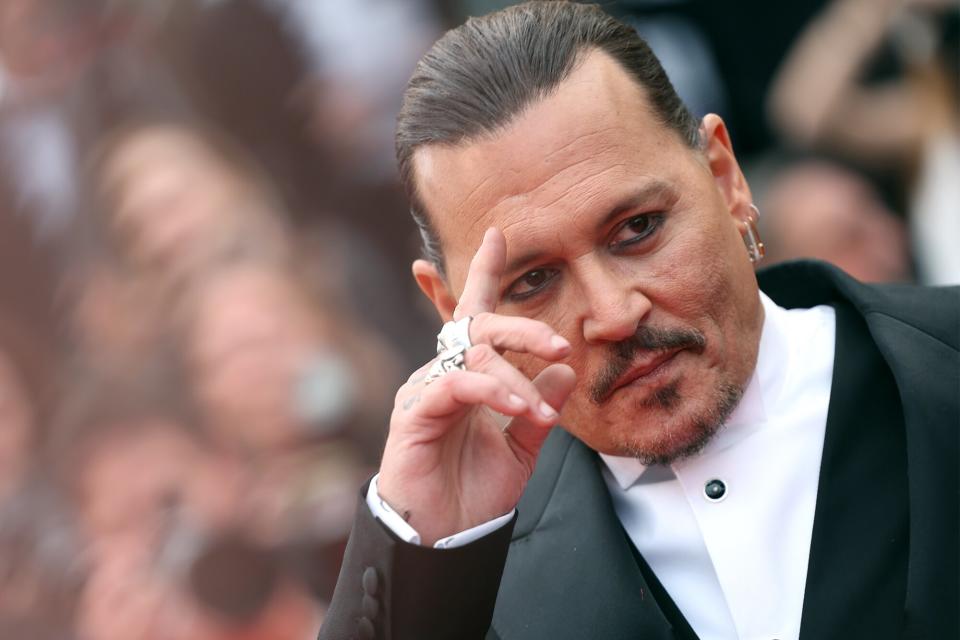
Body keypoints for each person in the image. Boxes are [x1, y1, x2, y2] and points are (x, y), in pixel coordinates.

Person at [318, 3, 959, 639]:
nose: (615, 314)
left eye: (638, 229)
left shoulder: (943, 365)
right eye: (533, 280)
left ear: (726, 177)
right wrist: (421, 556)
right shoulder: (458, 584)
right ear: (453, 310)